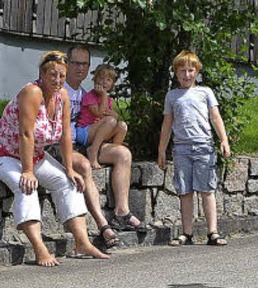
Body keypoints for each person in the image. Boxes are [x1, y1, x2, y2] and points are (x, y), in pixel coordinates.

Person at [0, 51, 109, 266]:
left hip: (36, 155)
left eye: (61, 75)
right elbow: (26, 134)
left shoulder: (62, 97)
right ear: (42, 73)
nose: (58, 80)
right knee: (26, 186)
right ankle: (39, 249)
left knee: (69, 182)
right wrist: (28, 171)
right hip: (7, 154)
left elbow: (66, 134)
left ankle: (82, 242)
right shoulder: (32, 92)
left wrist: (69, 168)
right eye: (53, 75)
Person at [64, 45, 146, 235]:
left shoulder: (83, 94)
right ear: (66, 64)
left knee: (123, 153)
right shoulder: (58, 90)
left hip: (87, 143)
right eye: (76, 63)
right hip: (67, 146)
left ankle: (122, 212)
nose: (80, 68)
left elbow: (103, 116)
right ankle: (101, 224)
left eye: (84, 64)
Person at [158, 50, 231, 246]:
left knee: (207, 189)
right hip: (181, 149)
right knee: (185, 191)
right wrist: (161, 150)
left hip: (203, 147)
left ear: (197, 72)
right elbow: (167, 124)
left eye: (191, 70)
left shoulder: (205, 92)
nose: (187, 75)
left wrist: (223, 140)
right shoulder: (172, 96)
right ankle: (187, 233)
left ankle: (212, 232)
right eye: (182, 70)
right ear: (176, 72)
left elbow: (215, 117)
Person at [76, 63, 128, 170]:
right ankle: (93, 151)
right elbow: (100, 113)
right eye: (101, 78)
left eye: (108, 79)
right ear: (95, 79)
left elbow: (114, 115)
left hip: (98, 131)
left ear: (112, 83)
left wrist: (114, 114)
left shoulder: (108, 100)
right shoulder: (89, 96)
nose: (104, 81)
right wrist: (104, 95)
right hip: (85, 132)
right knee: (110, 121)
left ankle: (111, 152)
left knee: (122, 126)